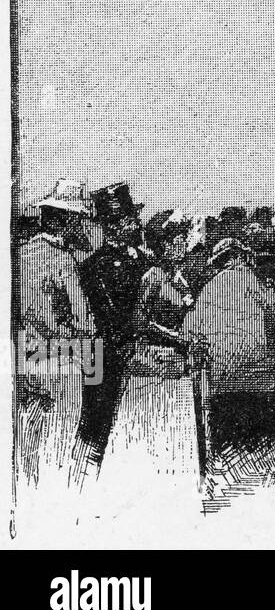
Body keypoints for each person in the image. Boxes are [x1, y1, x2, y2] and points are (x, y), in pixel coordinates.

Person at [100, 211, 204, 499]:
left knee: (176, 433)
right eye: (178, 237)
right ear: (165, 243)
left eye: (184, 235)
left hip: (176, 363)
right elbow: (138, 321)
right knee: (150, 428)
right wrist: (177, 338)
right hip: (151, 362)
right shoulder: (153, 276)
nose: (184, 241)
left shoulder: (179, 277)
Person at [16, 179, 97, 488]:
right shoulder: (63, 261)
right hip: (61, 361)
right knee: (58, 445)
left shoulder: (20, 254)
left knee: (27, 439)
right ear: (69, 220)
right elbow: (84, 320)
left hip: (24, 358)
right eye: (80, 219)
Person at [78, 182, 152, 461]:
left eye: (134, 217)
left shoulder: (139, 260)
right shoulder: (96, 266)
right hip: (106, 352)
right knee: (97, 425)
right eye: (129, 219)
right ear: (114, 225)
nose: (135, 223)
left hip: (119, 351)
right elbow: (119, 319)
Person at [185, 237, 275, 385]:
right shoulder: (250, 279)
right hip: (252, 365)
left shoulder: (208, 288)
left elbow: (189, 329)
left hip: (218, 369)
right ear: (237, 256)